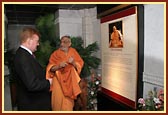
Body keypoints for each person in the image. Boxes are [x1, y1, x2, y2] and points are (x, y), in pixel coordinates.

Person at [13, 27, 52, 111]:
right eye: (37, 41)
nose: (38, 44)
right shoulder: (23, 57)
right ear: (29, 40)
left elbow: (34, 73)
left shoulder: (25, 55)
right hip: (32, 105)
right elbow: (32, 85)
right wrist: (49, 82)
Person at [46, 35, 84, 111]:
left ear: (69, 44)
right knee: (57, 102)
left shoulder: (73, 52)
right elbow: (50, 68)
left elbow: (80, 64)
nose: (62, 44)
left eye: (65, 42)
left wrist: (73, 62)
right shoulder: (55, 54)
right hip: (58, 82)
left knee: (68, 104)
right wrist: (59, 66)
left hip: (70, 82)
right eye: (61, 42)